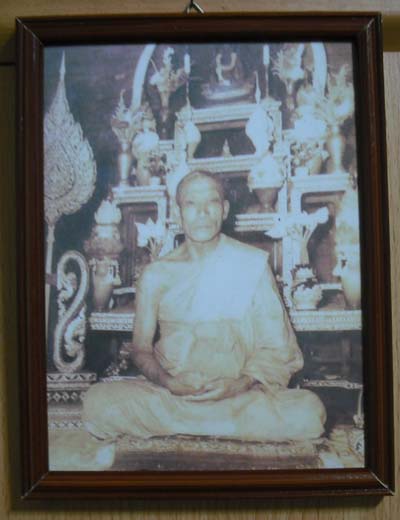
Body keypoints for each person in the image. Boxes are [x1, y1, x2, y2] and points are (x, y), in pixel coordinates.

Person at [82, 171, 326, 443]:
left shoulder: (251, 263)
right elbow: (141, 350)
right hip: (174, 395)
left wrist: (240, 383)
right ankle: (220, 426)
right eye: (191, 204)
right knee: (97, 402)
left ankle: (191, 426)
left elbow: (278, 348)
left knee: (309, 411)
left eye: (211, 202)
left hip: (239, 395)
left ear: (224, 210)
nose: (202, 213)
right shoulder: (156, 274)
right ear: (178, 213)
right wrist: (167, 381)